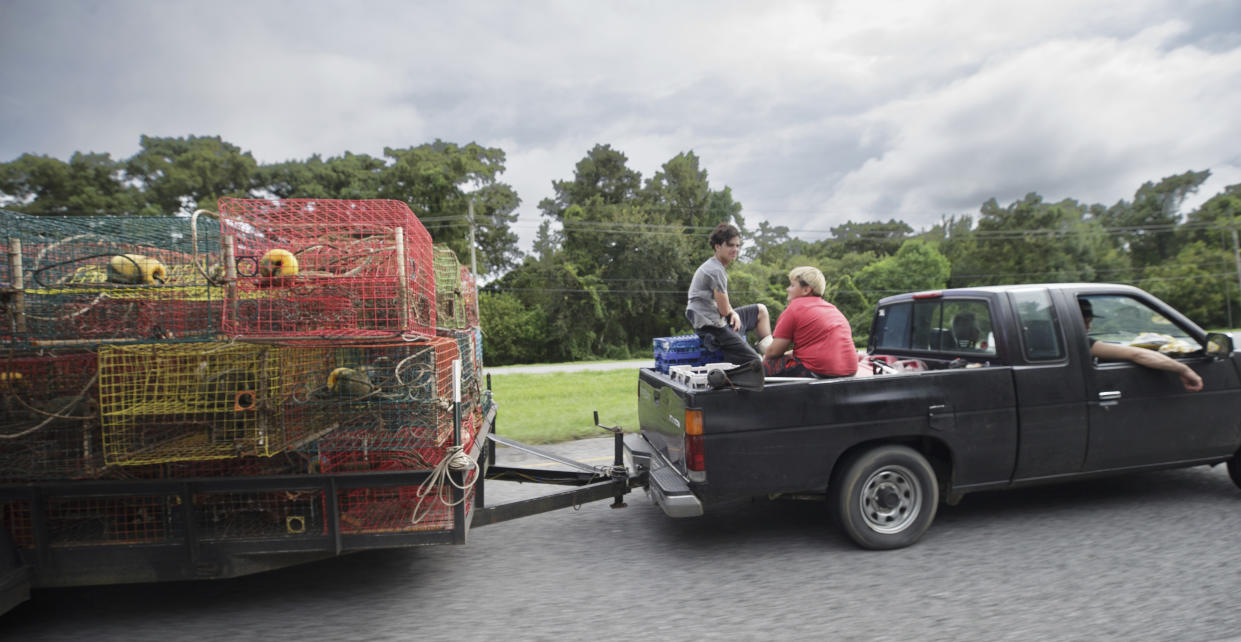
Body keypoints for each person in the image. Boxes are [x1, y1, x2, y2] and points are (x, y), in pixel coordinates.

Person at [686, 223, 771, 364]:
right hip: (712, 328)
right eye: (731, 245)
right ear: (718, 246)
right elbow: (724, 310)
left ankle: (771, 355)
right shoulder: (715, 270)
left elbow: (725, 307)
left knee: (760, 311)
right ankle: (723, 346)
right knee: (755, 361)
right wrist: (731, 313)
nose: (735, 249)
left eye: (738, 246)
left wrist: (734, 313)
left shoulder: (715, 266)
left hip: (721, 319)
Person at [1080, 298, 1203, 392]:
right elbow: (1138, 354)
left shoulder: (1072, 344)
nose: (1088, 328)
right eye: (1084, 322)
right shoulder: (1083, 344)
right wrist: (1184, 369)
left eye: (1090, 322)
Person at [762, 266, 858, 377]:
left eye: (792, 285)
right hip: (850, 370)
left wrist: (765, 357)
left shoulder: (795, 307)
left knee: (763, 367)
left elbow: (774, 351)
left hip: (819, 370)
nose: (787, 289)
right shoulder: (832, 308)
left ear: (806, 290)